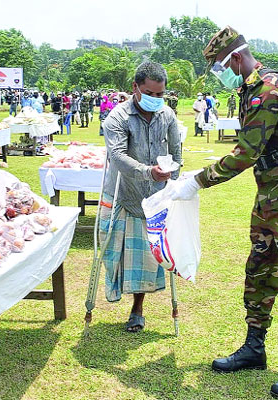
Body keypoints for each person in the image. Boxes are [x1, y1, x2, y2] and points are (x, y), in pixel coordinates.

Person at [169, 25, 278, 399]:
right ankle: (255, 346)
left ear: (236, 58)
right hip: (271, 191)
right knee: (259, 268)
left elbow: (247, 151)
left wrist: (198, 180)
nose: (221, 75)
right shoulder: (249, 89)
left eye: (221, 66)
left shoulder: (268, 88)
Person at [100, 61, 181, 333]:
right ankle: (118, 294)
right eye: (150, 93)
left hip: (157, 199)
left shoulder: (168, 116)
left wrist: (174, 180)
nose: (157, 99)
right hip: (126, 195)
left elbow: (177, 154)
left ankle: (138, 308)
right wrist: (148, 172)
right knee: (118, 254)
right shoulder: (117, 118)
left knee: (148, 256)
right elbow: (118, 156)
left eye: (161, 94)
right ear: (135, 88)